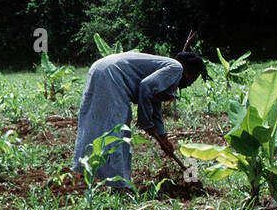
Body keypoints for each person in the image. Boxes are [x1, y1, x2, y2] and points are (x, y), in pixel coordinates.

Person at [70, 49, 208, 188]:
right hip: (112, 76)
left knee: (98, 124)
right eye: (194, 78)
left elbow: (155, 105)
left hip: (100, 68)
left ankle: (93, 173)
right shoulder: (176, 68)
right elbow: (146, 87)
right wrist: (146, 123)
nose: (191, 83)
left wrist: (163, 136)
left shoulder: (166, 67)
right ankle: (118, 185)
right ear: (188, 72)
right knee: (117, 132)